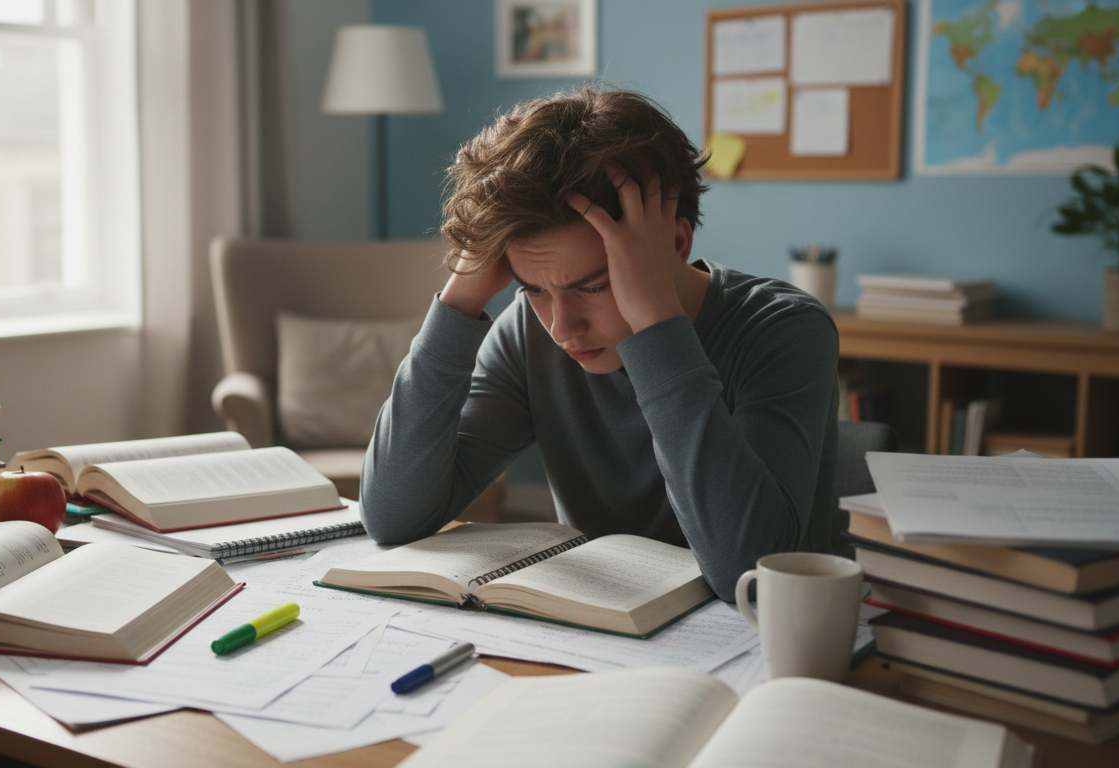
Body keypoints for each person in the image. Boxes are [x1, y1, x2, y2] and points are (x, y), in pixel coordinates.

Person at [359, 87, 839, 602]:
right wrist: (458, 304)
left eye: (592, 286)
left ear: (675, 244)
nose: (563, 327)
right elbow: (393, 517)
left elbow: (751, 576)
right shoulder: (529, 331)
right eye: (534, 289)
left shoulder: (783, 329)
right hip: (597, 640)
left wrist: (655, 323)